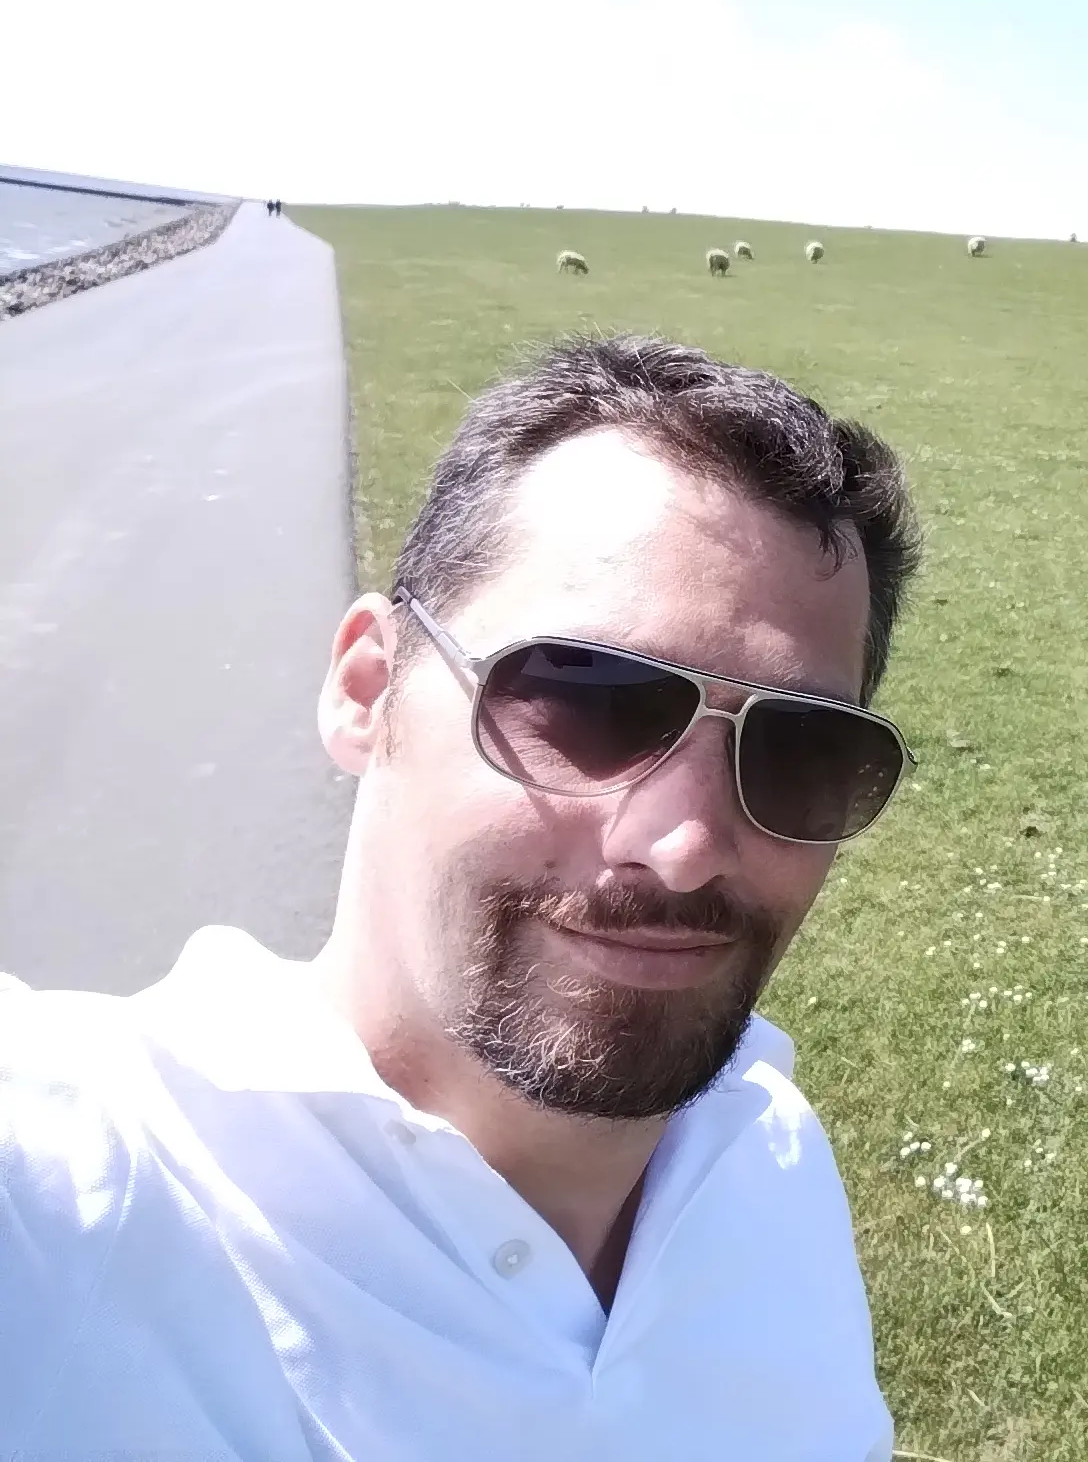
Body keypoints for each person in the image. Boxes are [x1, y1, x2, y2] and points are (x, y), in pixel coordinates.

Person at [0, 336, 922, 1458]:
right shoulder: (74, 1189)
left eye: (802, 748)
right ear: (368, 688)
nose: (683, 847)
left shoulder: (766, 1154)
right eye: (587, 698)